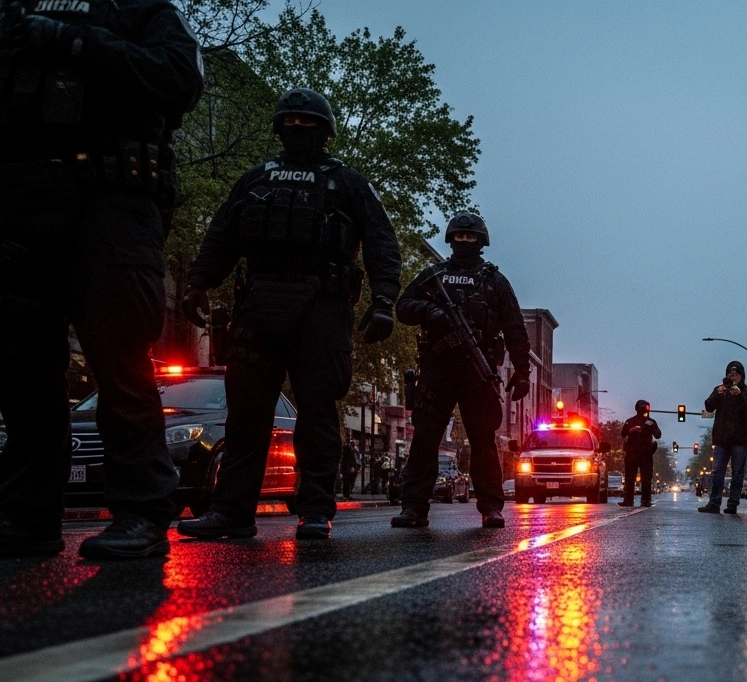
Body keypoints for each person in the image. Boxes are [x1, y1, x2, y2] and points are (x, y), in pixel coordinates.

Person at [0, 0, 204, 559]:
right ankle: (27, 514)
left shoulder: (136, 6)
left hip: (111, 200)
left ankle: (140, 510)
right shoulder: (13, 4)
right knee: (21, 363)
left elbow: (179, 78)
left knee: (118, 356)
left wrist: (79, 42)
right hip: (18, 201)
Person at [178, 88, 401, 542]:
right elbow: (221, 235)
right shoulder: (256, 180)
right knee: (245, 416)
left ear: (325, 132)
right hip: (258, 307)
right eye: (290, 123)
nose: (298, 130)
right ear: (279, 128)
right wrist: (197, 283)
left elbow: (381, 243)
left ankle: (316, 510)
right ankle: (232, 512)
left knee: (318, 413)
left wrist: (384, 302)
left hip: (322, 308)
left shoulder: (348, 183)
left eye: (308, 124)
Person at [385, 213, 530, 529]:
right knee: (425, 439)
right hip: (438, 368)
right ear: (451, 240)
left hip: (477, 371)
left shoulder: (494, 281)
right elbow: (403, 307)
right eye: (460, 237)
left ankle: (491, 508)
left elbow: (515, 326)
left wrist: (523, 371)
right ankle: (413, 508)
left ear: (481, 242)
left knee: (483, 441)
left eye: (471, 237)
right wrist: (431, 311)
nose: (465, 241)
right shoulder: (432, 276)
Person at [700, 361, 747, 514]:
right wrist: (717, 394)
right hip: (722, 438)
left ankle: (732, 504)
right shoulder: (720, 390)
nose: (733, 378)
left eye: (736, 374)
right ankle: (714, 503)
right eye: (730, 375)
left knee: (738, 472)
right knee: (718, 471)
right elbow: (708, 406)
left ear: (741, 376)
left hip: (740, 439)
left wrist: (739, 395)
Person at [620, 400, 661, 507]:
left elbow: (658, 435)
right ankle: (630, 500)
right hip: (632, 453)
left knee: (645, 478)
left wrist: (651, 427)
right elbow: (623, 433)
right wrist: (631, 430)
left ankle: (643, 500)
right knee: (630, 478)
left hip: (645, 454)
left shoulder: (651, 422)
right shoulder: (630, 422)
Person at [340, 436, 360, 500]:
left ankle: (346, 495)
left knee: (347, 481)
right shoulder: (349, 449)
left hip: (345, 467)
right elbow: (351, 459)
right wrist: (353, 466)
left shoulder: (345, 449)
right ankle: (346, 495)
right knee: (347, 482)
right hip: (347, 467)